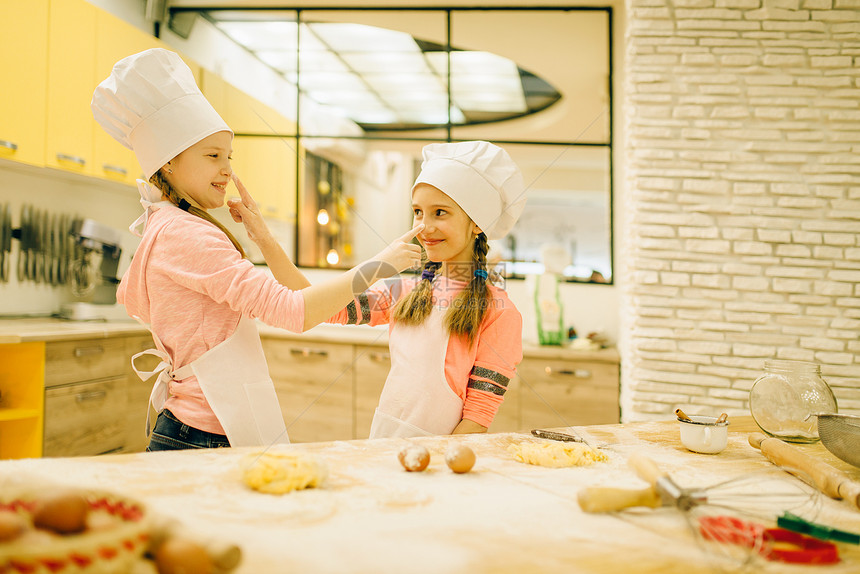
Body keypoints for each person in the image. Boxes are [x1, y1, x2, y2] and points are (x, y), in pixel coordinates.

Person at [91, 48, 422, 451]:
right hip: (200, 436)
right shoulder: (188, 235)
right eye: (213, 156)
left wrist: (263, 237)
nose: (228, 169)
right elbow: (294, 312)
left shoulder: (169, 225)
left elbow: (298, 299)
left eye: (228, 157)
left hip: (196, 428)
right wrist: (380, 265)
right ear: (170, 163)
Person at [329, 141, 527, 438]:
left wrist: (437, 469)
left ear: (476, 223)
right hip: (382, 442)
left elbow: (477, 420)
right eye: (418, 212)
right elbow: (316, 306)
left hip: (439, 463)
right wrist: (266, 239)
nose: (423, 226)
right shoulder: (404, 292)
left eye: (440, 213)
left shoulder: (499, 312)